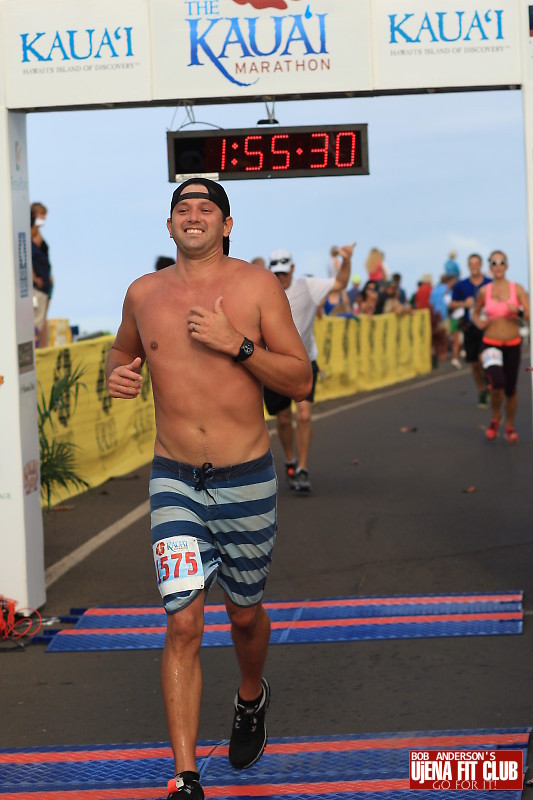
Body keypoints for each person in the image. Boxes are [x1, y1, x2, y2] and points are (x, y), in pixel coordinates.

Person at [106, 177, 312, 800]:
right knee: (183, 624)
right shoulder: (143, 294)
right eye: (182, 209)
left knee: (244, 616)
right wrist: (118, 377)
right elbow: (119, 357)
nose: (193, 216)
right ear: (169, 227)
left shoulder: (253, 286)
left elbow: (300, 379)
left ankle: (251, 696)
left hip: (246, 478)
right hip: (175, 481)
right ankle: (187, 776)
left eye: (207, 209)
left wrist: (238, 344)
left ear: (226, 225)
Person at [264, 244, 354, 493]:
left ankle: (302, 469)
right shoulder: (263, 289)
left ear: (293, 269)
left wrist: (346, 260)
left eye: (285, 272)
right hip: (274, 364)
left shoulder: (307, 286)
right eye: (277, 273)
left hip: (305, 361)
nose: (281, 277)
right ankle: (291, 461)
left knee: (303, 415)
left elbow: (340, 284)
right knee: (283, 420)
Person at [472, 250, 529, 442]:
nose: (498, 266)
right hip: (491, 342)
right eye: (494, 263)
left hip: (512, 343)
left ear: (507, 266)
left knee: (511, 389)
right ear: (490, 267)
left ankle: (510, 425)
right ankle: (496, 417)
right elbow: (475, 312)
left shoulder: (517, 289)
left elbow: (528, 315)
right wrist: (479, 323)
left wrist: (519, 312)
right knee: (497, 384)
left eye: (501, 262)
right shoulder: (484, 291)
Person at [449, 254, 492, 407]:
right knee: (474, 364)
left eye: (476, 263)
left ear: (481, 265)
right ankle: (482, 391)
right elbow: (451, 304)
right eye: (471, 264)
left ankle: (489, 381)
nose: (474, 266)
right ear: (468, 266)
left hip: (487, 326)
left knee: (484, 359)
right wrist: (463, 303)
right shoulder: (461, 285)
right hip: (470, 327)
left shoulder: (489, 283)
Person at [31, 202, 53, 347]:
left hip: (45, 284)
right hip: (37, 286)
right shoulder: (30, 233)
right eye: (41, 214)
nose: (43, 218)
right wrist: (34, 278)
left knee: (42, 319)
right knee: (36, 321)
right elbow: (28, 258)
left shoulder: (38, 232)